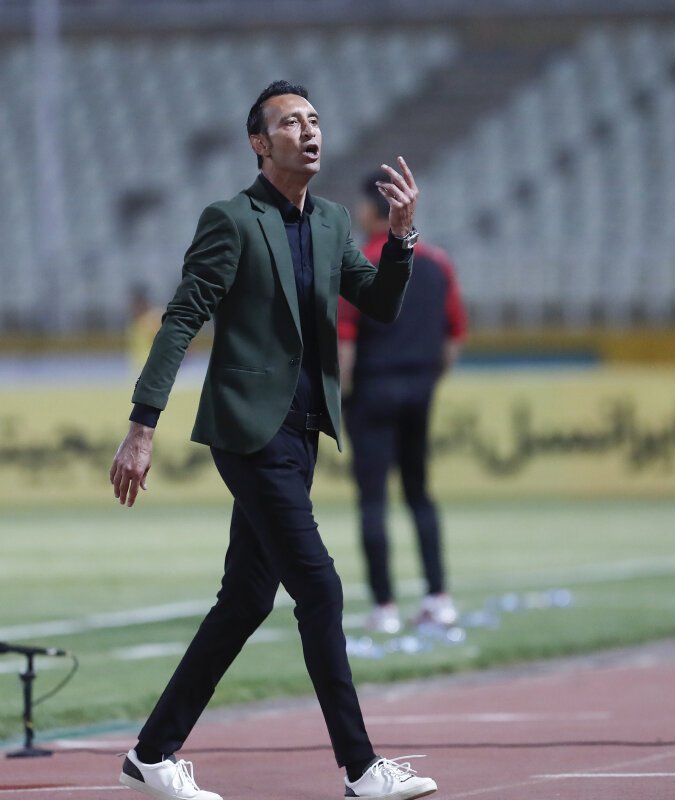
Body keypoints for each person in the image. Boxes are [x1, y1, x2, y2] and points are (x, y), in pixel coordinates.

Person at [108, 81, 438, 800]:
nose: (309, 131)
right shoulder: (230, 220)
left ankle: (151, 754)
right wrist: (142, 425)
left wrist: (401, 239)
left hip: (302, 432)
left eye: (314, 120)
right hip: (248, 431)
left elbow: (378, 304)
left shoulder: (330, 222)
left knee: (247, 599)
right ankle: (361, 768)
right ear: (260, 143)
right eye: (291, 122)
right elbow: (181, 319)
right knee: (319, 586)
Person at [338, 175, 467, 636]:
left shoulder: (359, 263)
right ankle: (438, 597)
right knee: (419, 493)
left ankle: (385, 606)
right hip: (419, 389)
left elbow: (345, 342)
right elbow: (454, 336)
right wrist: (430, 380)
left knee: (373, 499)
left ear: (373, 211)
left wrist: (342, 395)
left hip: (372, 390)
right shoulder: (437, 263)